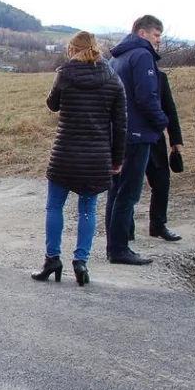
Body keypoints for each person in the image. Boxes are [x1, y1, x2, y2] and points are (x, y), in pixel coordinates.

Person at [31, 32, 126, 286]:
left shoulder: (65, 73)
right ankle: (81, 262)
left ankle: (52, 259)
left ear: (73, 49)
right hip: (97, 157)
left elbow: (53, 105)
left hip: (65, 153)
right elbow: (121, 126)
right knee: (88, 209)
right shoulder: (113, 79)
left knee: (54, 207)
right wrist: (117, 160)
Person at [104, 15, 169, 265]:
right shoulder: (142, 56)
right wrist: (162, 121)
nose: (158, 41)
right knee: (128, 193)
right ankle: (119, 249)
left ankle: (115, 244)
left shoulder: (116, 58)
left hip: (117, 132)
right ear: (142, 33)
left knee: (116, 190)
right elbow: (146, 96)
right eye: (156, 35)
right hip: (137, 132)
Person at [133, 68, 184, 242]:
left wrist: (176, 140)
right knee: (129, 185)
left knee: (161, 182)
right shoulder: (126, 75)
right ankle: (126, 229)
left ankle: (158, 225)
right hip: (131, 139)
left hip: (155, 139)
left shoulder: (160, 77)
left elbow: (170, 108)